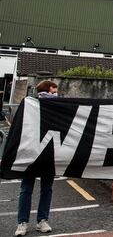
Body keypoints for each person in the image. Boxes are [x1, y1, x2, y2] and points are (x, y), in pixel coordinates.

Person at [15, 81, 59, 236]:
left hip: (49, 154)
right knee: (26, 189)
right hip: (32, 153)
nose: (54, 95)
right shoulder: (31, 106)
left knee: (47, 189)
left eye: (55, 93)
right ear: (43, 92)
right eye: (52, 92)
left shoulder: (58, 109)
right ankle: (22, 223)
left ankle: (42, 220)